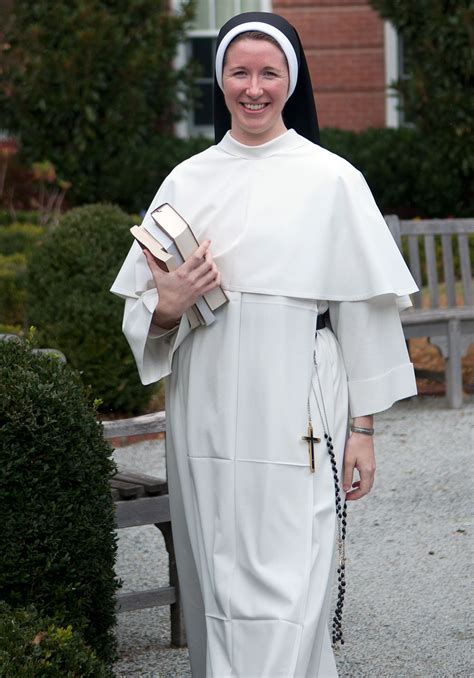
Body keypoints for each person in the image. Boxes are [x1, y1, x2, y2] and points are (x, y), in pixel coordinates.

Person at [111, 11, 418, 677]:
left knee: (292, 569)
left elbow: (361, 315)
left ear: (292, 79)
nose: (254, 87)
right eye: (240, 72)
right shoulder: (187, 181)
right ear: (219, 80)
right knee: (218, 566)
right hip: (209, 397)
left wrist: (362, 429)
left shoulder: (332, 180)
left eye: (268, 72)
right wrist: (167, 307)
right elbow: (147, 317)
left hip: (299, 394)